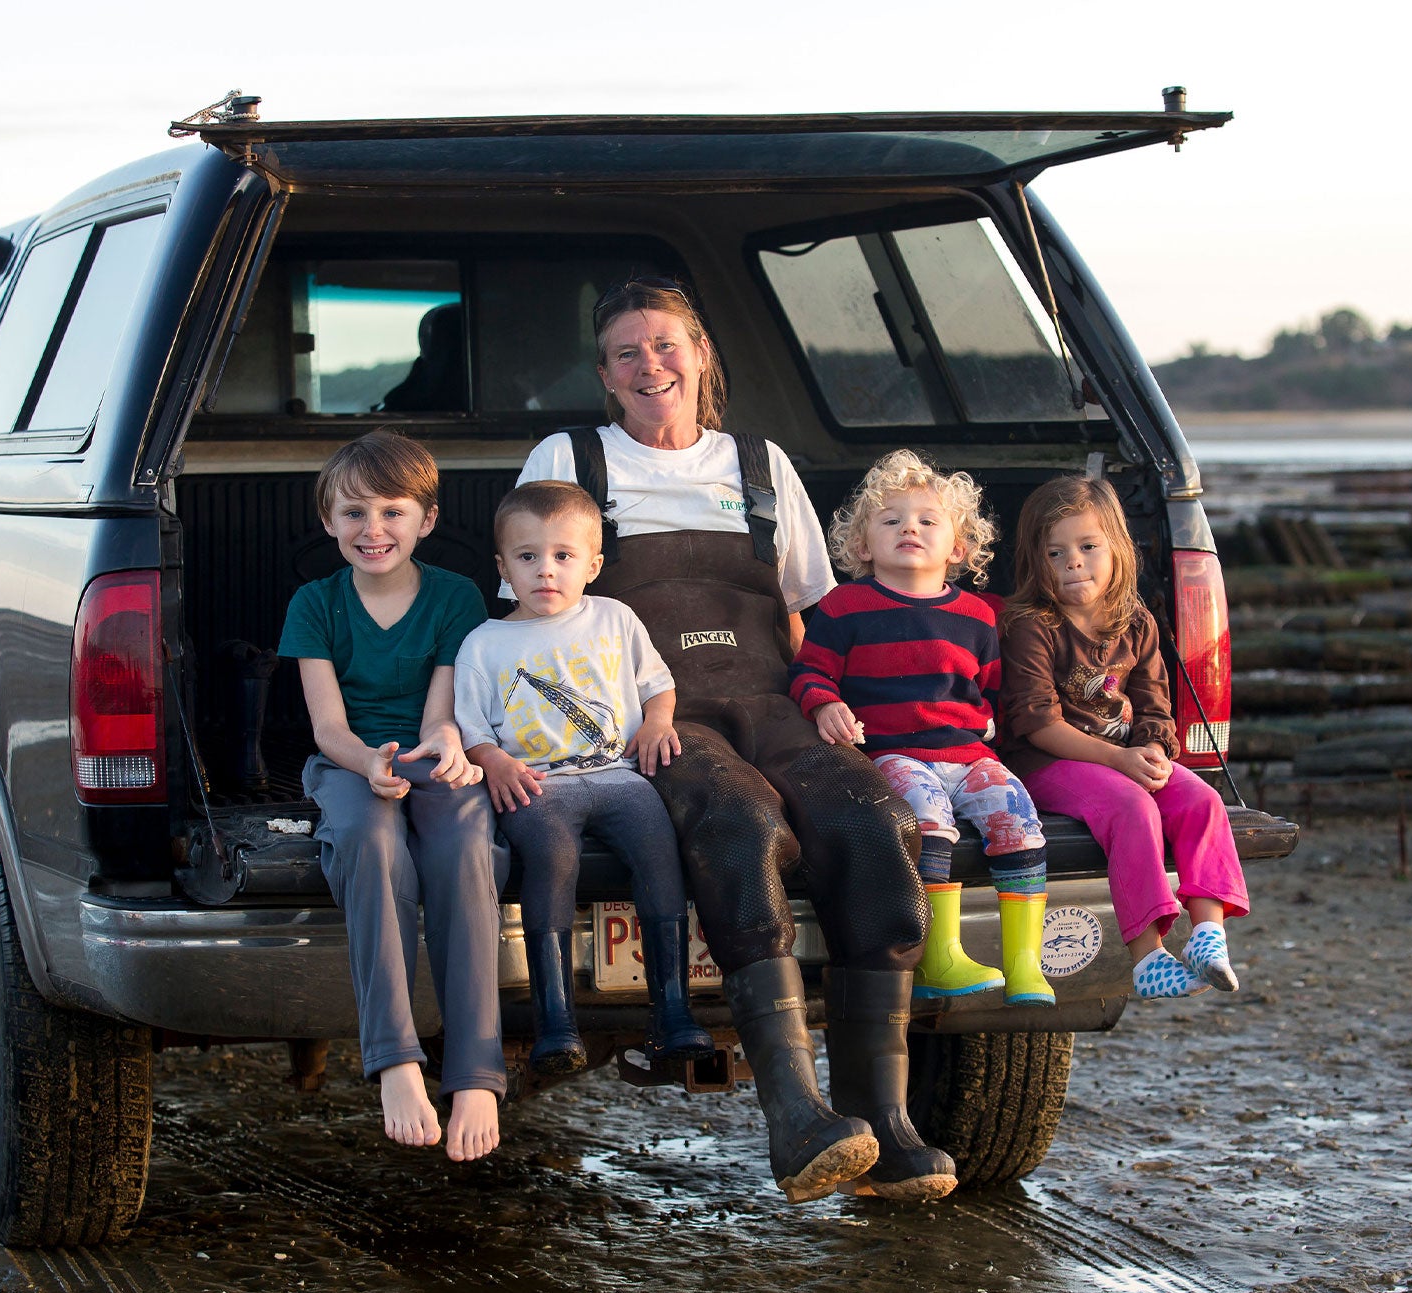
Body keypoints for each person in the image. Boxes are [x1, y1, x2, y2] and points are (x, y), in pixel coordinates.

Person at [513, 276, 954, 1204]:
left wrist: (832, 715)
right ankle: (795, 1115)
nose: (650, 366)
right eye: (627, 352)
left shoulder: (760, 464)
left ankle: (883, 1124)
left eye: (666, 345)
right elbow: (537, 595)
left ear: (702, 354)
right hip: (650, 708)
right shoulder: (571, 456)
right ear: (605, 374)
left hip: (770, 694)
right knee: (739, 821)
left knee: (874, 824)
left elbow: (810, 611)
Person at [278, 429, 506, 1161]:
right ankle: (395, 1060)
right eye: (352, 514)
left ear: (426, 520)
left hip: (435, 760)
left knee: (466, 846)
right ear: (327, 522)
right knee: (371, 843)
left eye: (391, 512)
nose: (372, 530)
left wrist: (442, 745)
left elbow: (445, 711)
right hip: (351, 766)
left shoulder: (455, 596)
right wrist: (367, 765)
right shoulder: (315, 604)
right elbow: (326, 727)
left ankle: (474, 1071)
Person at [453, 480, 714, 1077]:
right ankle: (556, 1024)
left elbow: (659, 684)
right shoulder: (485, 644)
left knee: (658, 851)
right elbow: (471, 730)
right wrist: (494, 761)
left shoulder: (615, 619)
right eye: (527, 557)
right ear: (502, 568)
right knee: (552, 858)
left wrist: (658, 723)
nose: (546, 571)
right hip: (538, 787)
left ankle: (673, 1011)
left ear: (593, 565)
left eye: (564, 556)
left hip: (620, 777)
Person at [789, 450, 1053, 1006]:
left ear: (958, 546)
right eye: (891, 520)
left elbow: (995, 691)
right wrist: (823, 706)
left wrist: (996, 733)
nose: (910, 527)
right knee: (929, 825)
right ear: (863, 546)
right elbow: (809, 670)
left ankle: (1026, 963)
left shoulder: (979, 615)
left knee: (1020, 825)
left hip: (969, 757)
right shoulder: (845, 606)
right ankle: (939, 957)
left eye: (928, 520)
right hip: (894, 755)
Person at [997, 474, 1247, 999]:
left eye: (1088, 546)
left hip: (1124, 758)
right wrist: (1121, 760)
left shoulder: (1137, 623)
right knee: (1133, 808)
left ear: (1116, 548)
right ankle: (1148, 958)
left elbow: (1157, 707)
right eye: (1054, 552)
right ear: (1034, 559)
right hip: (1047, 762)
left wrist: (1154, 752)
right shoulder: (1029, 625)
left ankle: (1207, 935)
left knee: (1202, 800)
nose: (1073, 562)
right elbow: (1037, 723)